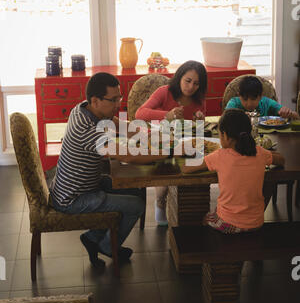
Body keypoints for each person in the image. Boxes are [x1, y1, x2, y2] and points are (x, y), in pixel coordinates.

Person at [50, 72, 165, 269]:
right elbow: (127, 155)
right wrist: (166, 153)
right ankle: (106, 246)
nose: (118, 104)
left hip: (85, 185)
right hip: (73, 198)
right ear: (95, 100)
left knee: (134, 190)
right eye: (113, 100)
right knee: (136, 205)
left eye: (118, 98)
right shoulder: (87, 130)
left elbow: (122, 126)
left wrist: (153, 135)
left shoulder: (82, 109)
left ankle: (92, 238)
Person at [182, 109, 285, 234]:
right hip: (257, 222)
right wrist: (267, 155)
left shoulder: (219, 156)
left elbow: (187, 169)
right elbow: (281, 160)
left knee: (205, 218)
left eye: (219, 135)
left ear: (225, 136)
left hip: (228, 223)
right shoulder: (260, 152)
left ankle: (215, 242)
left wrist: (185, 152)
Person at [135, 60, 207, 225]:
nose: (191, 87)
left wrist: (199, 119)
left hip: (186, 143)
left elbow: (199, 125)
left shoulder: (199, 99)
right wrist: (166, 115)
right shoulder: (164, 92)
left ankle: (189, 210)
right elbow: (140, 113)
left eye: (196, 84)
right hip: (161, 140)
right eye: (187, 81)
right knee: (168, 166)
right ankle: (160, 200)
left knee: (198, 167)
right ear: (179, 77)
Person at [225, 75, 299, 119]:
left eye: (253, 99)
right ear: (239, 95)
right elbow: (224, 119)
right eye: (245, 99)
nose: (249, 103)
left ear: (260, 96)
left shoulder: (267, 103)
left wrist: (288, 113)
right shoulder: (233, 103)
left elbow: (297, 117)